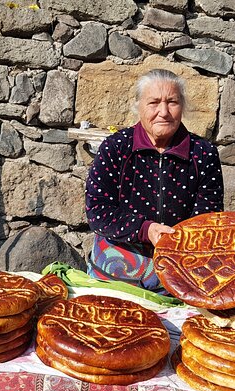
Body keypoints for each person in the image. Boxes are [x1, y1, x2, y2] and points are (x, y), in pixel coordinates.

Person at [85, 69, 224, 291]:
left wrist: (174, 242)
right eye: (153, 102)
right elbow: (98, 211)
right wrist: (146, 229)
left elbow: (208, 220)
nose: (164, 112)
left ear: (183, 107)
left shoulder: (203, 153)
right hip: (115, 272)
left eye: (172, 102)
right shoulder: (116, 147)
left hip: (180, 272)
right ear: (138, 106)